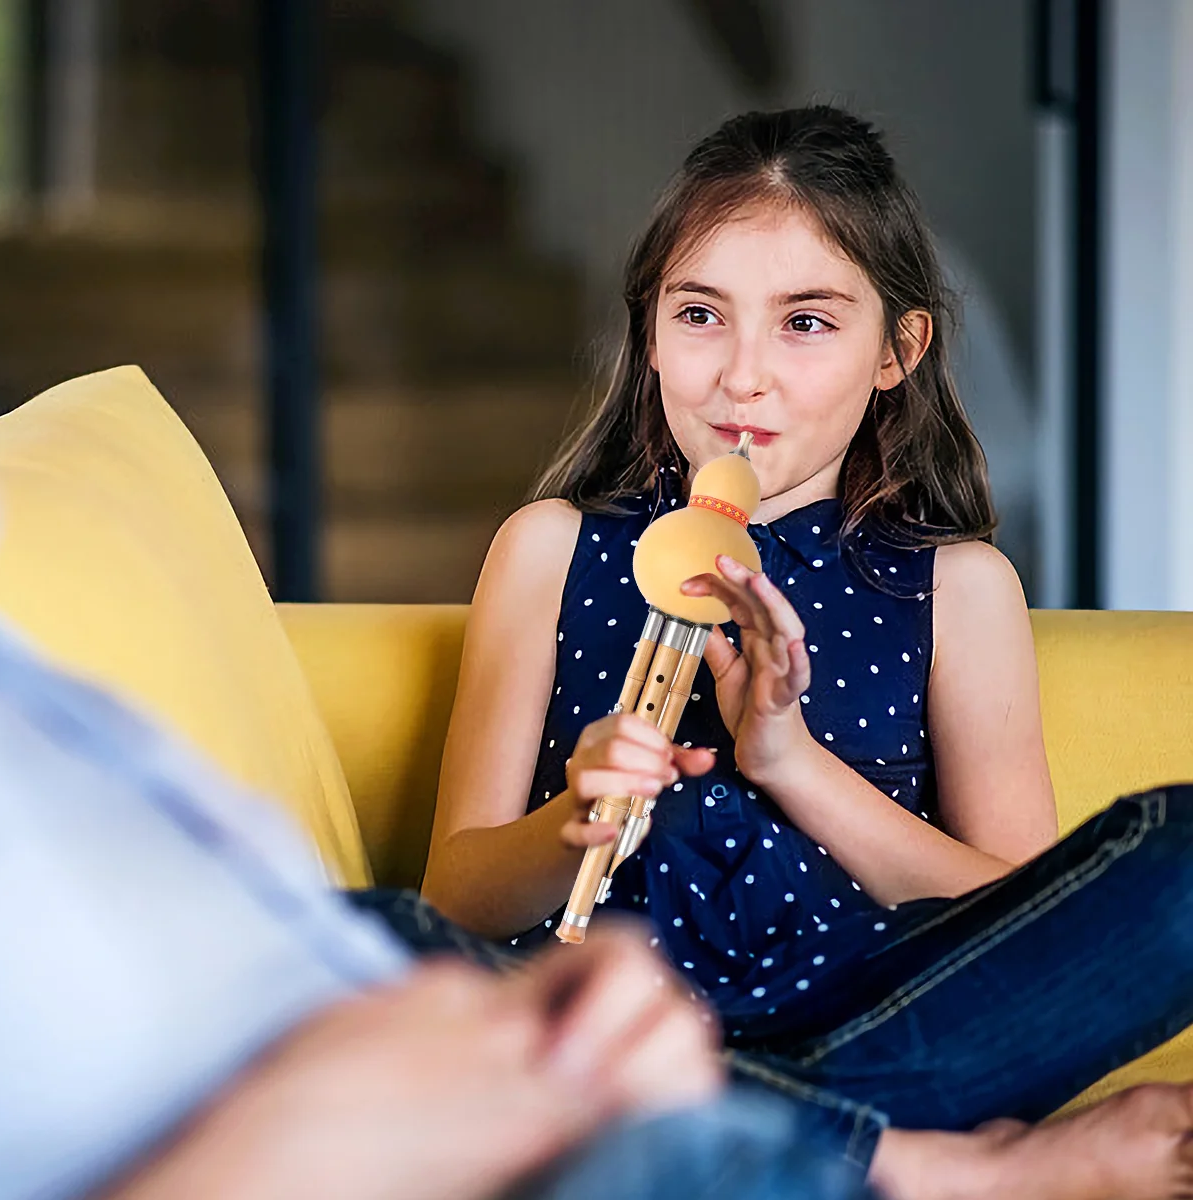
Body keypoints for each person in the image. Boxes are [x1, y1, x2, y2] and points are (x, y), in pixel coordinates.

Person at [416, 105, 1193, 1199]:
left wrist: (790, 762)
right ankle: (899, 1166)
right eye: (700, 315)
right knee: (363, 934)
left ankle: (728, 1140)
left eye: (807, 323)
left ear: (898, 351)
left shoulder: (958, 588)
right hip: (607, 1006)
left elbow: (1022, 913)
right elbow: (454, 895)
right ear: (649, 331)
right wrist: (573, 819)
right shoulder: (550, 551)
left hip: (871, 1011)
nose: (743, 378)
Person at [0, 613, 862, 1200]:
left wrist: (519, 1014)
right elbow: (450, 900)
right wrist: (308, 1139)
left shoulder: (26, 677)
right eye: (699, 321)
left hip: (555, 1095)